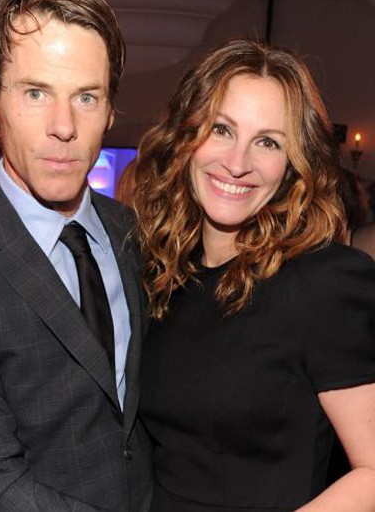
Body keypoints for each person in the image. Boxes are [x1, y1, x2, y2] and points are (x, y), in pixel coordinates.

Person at [0, 0, 153, 511]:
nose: (64, 126)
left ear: (110, 110)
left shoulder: (134, 233)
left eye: (87, 97)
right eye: (36, 93)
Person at [133, 38, 375, 510]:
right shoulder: (165, 277)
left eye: (267, 142)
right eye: (221, 129)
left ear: (293, 164)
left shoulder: (324, 283)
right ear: (186, 137)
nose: (237, 163)